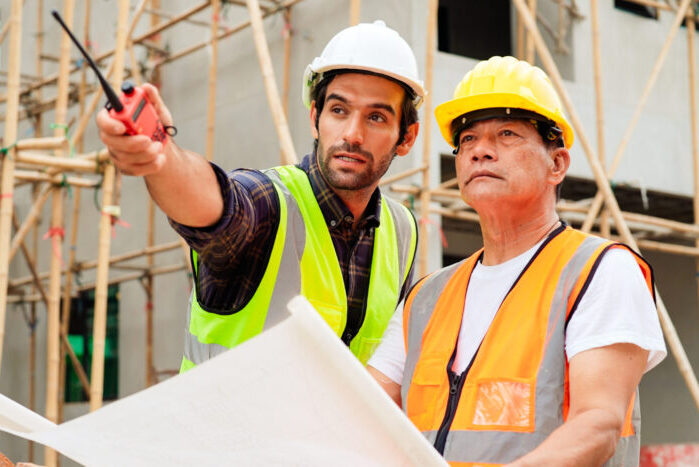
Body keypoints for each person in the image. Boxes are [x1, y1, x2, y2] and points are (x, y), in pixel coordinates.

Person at [367, 56, 666, 466]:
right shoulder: (425, 299)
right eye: (468, 139)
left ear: (556, 163)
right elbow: (364, 412)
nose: (481, 151)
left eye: (506, 133)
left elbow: (598, 425)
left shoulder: (599, 270)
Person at [96, 21, 424, 370]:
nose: (352, 134)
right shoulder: (269, 205)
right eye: (339, 110)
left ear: (406, 137)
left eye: (376, 117)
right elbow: (215, 204)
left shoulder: (402, 229)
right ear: (315, 117)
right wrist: (160, 157)